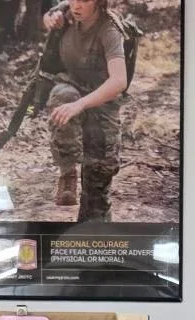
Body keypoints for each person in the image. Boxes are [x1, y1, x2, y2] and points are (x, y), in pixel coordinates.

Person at [41, 0, 128, 221]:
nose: (76, 6)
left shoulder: (109, 30)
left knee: (97, 189)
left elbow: (119, 81)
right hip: (70, 89)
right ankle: (68, 171)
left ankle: (95, 242)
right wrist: (50, 16)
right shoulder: (67, 14)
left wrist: (80, 105)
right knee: (63, 96)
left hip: (103, 104)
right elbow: (52, 15)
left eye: (85, 0)